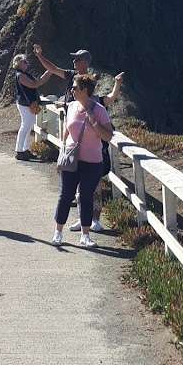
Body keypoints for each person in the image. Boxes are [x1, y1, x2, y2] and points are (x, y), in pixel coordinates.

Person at [34, 44, 125, 230]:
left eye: (77, 59)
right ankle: (84, 220)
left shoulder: (94, 96)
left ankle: (95, 220)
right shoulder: (71, 79)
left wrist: (117, 84)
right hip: (74, 138)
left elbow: (109, 99)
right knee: (78, 188)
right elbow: (52, 68)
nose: (74, 61)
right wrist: (40, 56)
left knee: (93, 186)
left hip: (92, 143)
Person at [51, 74, 113, 247]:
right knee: (65, 196)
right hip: (71, 159)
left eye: (75, 88)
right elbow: (67, 130)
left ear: (85, 90)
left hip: (92, 162)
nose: (72, 90)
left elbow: (108, 136)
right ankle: (58, 232)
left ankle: (85, 236)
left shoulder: (99, 110)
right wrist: (62, 151)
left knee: (86, 196)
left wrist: (94, 121)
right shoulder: (71, 106)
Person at [12, 53, 50, 161]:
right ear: (18, 63)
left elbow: (36, 83)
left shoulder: (23, 74)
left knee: (27, 127)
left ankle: (24, 150)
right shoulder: (21, 75)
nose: (26, 63)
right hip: (25, 104)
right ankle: (19, 151)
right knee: (25, 126)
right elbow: (34, 84)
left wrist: (48, 73)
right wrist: (48, 73)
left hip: (27, 103)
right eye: (24, 62)